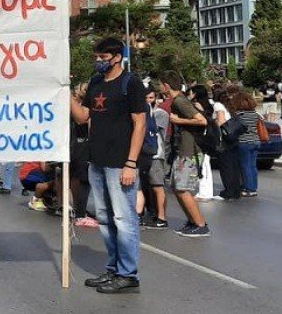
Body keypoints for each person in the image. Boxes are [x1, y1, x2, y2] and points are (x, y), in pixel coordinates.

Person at [69, 38, 147, 295]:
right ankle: (113, 268)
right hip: (97, 160)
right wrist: (66, 92)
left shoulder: (130, 83)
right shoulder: (95, 82)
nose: (99, 61)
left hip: (120, 163)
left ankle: (128, 273)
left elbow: (140, 124)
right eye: (97, 57)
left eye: (103, 57)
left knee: (124, 218)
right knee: (104, 218)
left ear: (117, 57)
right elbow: (83, 116)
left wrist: (130, 163)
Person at [161, 74, 211, 238]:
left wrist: (178, 120)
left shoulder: (180, 101)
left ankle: (200, 224)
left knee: (182, 189)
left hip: (189, 152)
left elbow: (202, 120)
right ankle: (192, 221)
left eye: (161, 85)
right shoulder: (179, 100)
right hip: (182, 150)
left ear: (167, 86)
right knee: (177, 187)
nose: (160, 88)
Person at [137, 88, 170, 229]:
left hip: (156, 153)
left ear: (155, 98)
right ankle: (148, 212)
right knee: (143, 185)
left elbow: (156, 132)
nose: (148, 101)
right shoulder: (144, 110)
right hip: (142, 153)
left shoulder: (160, 114)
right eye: (146, 98)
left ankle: (162, 217)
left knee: (157, 185)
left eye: (151, 98)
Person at [228, 88, 263, 198]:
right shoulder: (255, 114)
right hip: (256, 141)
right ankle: (253, 187)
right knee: (252, 166)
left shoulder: (239, 115)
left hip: (244, 142)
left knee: (245, 166)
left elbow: (233, 129)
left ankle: (248, 188)